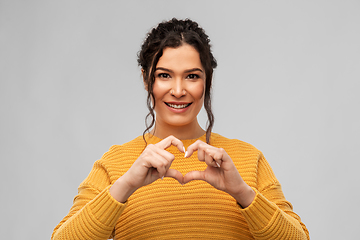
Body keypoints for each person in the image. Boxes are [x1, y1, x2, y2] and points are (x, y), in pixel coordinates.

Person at [52, 18, 309, 240]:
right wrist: (127, 184)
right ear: (146, 79)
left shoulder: (247, 159)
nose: (177, 90)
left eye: (192, 76)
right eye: (164, 75)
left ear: (207, 81)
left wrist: (242, 193)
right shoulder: (116, 163)